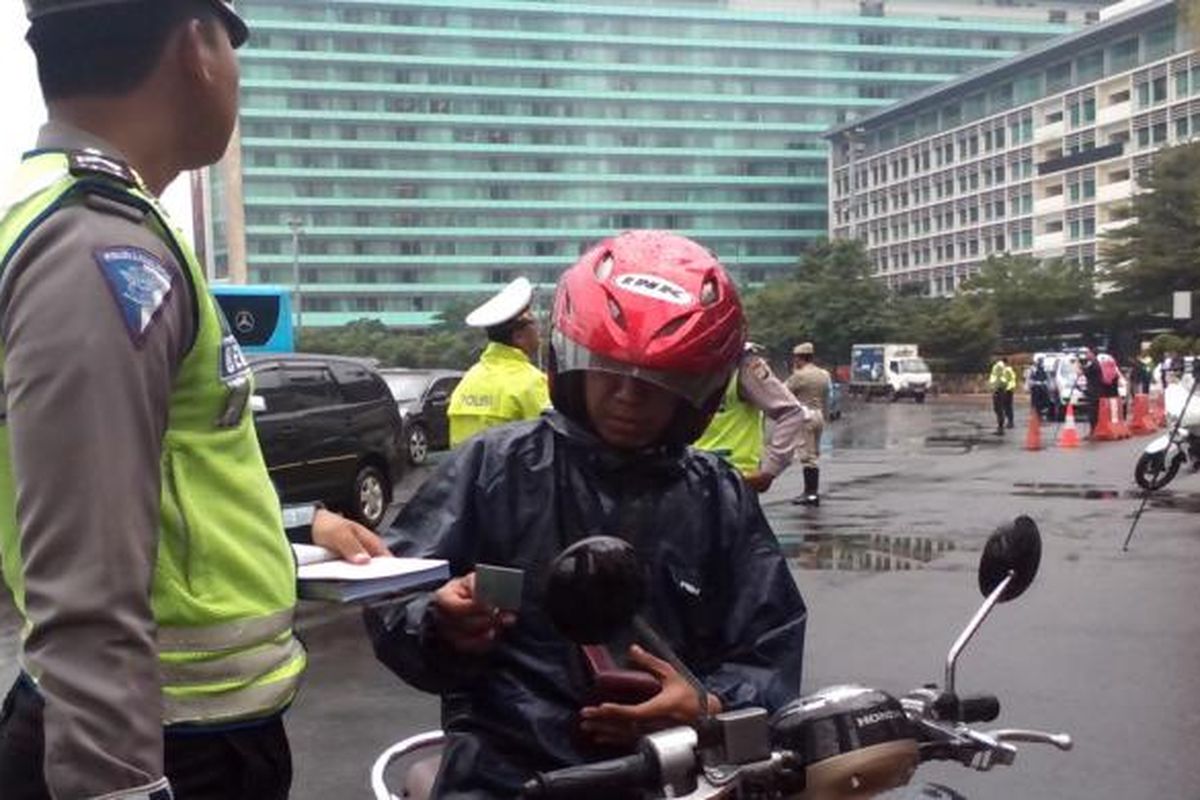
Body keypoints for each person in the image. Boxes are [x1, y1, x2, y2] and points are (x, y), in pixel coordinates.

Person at [0, 4, 387, 798]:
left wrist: (296, 526)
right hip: (160, 743)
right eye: (233, 45)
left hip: (190, 728)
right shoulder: (102, 250)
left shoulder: (80, 220)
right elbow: (88, 581)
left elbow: (148, 479)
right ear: (196, 47)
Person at [367, 231, 807, 799]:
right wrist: (441, 620)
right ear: (570, 360)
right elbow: (393, 593)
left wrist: (707, 704)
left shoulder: (716, 494)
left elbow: (771, 644)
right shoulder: (495, 466)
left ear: (698, 389)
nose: (628, 397)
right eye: (609, 370)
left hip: (678, 778)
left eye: (659, 380)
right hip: (508, 778)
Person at [447, 276, 551, 447]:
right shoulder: (532, 382)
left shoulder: (468, 380)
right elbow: (549, 445)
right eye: (534, 323)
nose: (539, 329)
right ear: (518, 337)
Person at [694, 342, 809, 493]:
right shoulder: (677, 360)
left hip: (733, 479)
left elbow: (791, 412)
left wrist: (769, 470)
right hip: (685, 475)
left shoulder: (743, 363)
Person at [786, 342, 832, 506]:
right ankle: (812, 492)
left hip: (805, 415)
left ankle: (810, 493)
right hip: (819, 414)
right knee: (815, 454)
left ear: (799, 358)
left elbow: (784, 392)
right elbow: (827, 394)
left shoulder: (800, 376)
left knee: (807, 456)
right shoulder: (824, 374)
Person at [988, 355, 1016, 435]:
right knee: (1005, 407)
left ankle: (1002, 427)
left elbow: (1001, 380)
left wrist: (997, 388)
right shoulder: (1006, 368)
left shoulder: (999, 368)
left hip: (1003, 390)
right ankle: (1007, 424)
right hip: (1005, 390)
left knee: (1001, 408)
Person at [1079, 349, 1104, 436]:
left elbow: (1085, 372)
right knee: (1093, 412)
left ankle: (1094, 431)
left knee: (1093, 412)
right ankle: (1093, 431)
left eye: (1088, 353)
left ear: (1093, 354)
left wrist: (1080, 368)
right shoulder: (1093, 363)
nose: (1086, 355)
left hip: (1094, 392)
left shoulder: (1094, 364)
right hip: (1093, 391)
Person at [1026, 356, 1052, 421]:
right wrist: (1036, 383)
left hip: (1043, 388)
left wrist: (1046, 384)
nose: (1041, 362)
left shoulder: (1044, 369)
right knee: (1035, 403)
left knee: (1044, 402)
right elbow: (1029, 379)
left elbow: (1048, 378)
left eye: (1041, 361)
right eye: (1040, 361)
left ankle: (1041, 415)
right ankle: (1035, 415)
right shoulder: (1032, 369)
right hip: (1035, 389)